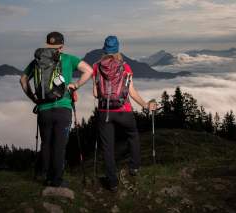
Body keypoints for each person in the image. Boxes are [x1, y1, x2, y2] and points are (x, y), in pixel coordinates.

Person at [20, 31, 93, 187]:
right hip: (63, 108)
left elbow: (23, 79)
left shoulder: (38, 61)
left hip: (43, 109)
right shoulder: (68, 59)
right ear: (62, 45)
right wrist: (76, 85)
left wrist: (33, 98)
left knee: (46, 143)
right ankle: (57, 180)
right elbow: (89, 71)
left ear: (47, 44)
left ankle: (46, 177)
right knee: (59, 145)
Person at [93, 35, 157, 192]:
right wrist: (145, 105)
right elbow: (131, 91)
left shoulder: (97, 67)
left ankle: (113, 183)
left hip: (104, 112)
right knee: (133, 135)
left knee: (108, 147)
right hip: (124, 111)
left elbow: (96, 94)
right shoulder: (125, 67)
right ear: (118, 49)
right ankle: (134, 167)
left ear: (104, 49)